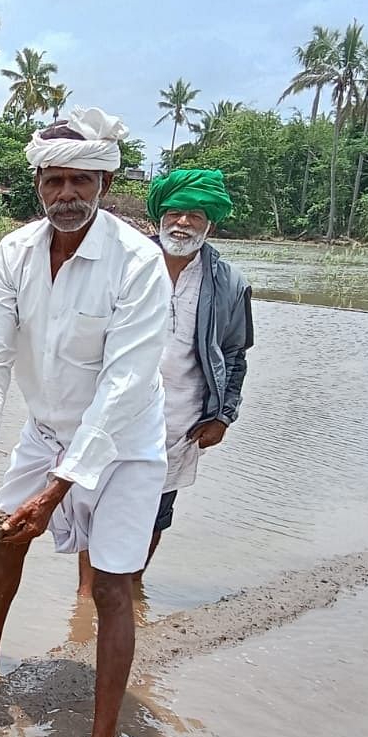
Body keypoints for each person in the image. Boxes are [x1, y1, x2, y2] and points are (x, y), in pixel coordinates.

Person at [0, 107, 170, 737]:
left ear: (104, 186)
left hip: (125, 440)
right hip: (47, 429)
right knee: (4, 539)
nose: (67, 195)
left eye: (81, 182)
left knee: (110, 583)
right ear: (39, 185)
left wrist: (57, 491)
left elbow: (125, 386)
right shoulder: (14, 253)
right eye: (54, 182)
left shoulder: (137, 262)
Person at [77, 169, 253, 599]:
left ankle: (131, 587)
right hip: (110, 409)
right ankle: (86, 597)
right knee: (90, 501)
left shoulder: (228, 283)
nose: (183, 223)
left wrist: (223, 416)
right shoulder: (126, 263)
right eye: (175, 212)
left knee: (155, 510)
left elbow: (234, 354)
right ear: (160, 216)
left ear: (210, 222)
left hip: (179, 417)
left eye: (195, 215)